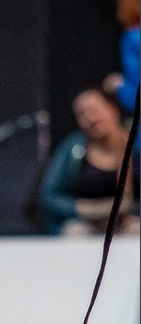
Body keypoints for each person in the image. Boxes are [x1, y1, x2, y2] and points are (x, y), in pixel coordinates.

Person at [40, 88, 139, 236]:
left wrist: (130, 207)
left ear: (112, 109)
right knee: (74, 233)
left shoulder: (136, 143)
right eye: (82, 114)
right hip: (86, 223)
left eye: (94, 110)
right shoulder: (73, 148)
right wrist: (82, 208)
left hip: (129, 221)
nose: (90, 117)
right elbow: (49, 195)